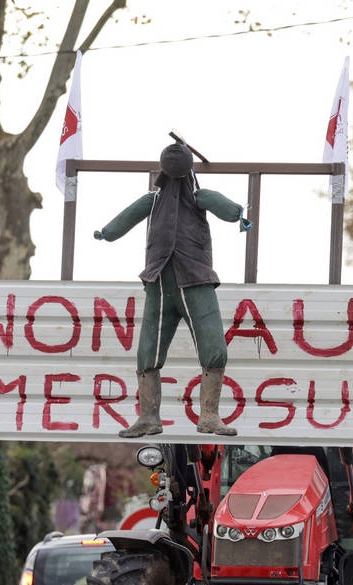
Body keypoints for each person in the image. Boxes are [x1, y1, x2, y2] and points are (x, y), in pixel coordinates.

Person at [94, 141, 251, 438]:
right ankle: (152, 417)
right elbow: (222, 205)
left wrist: (236, 214)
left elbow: (221, 205)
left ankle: (207, 416)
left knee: (210, 347)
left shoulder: (188, 197)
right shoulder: (167, 199)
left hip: (191, 281)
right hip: (165, 283)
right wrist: (237, 214)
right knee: (151, 352)